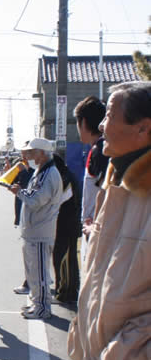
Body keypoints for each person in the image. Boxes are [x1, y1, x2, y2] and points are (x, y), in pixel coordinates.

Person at [67, 81, 151, 360]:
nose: (101, 126)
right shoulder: (117, 177)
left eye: (110, 117)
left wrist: (131, 351)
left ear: (143, 128)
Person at [8, 138, 63, 320]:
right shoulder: (42, 171)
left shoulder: (48, 173)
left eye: (31, 152)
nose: (28, 156)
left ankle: (42, 308)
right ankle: (36, 304)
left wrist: (19, 192)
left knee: (39, 274)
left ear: (41, 153)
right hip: (34, 230)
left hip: (41, 230)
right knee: (33, 272)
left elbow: (37, 200)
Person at [73, 96, 108, 262]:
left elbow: (107, 192)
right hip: (95, 229)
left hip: (96, 230)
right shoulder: (99, 148)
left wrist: (95, 227)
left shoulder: (101, 149)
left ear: (84, 122)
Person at [52, 154, 81, 304]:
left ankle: (65, 294)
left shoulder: (66, 178)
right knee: (60, 259)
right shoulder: (64, 176)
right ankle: (63, 292)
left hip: (68, 225)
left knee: (65, 261)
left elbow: (58, 200)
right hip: (63, 225)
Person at [12, 157, 35, 295]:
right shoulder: (21, 165)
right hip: (23, 212)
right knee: (28, 250)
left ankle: (31, 284)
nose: (25, 156)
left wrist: (25, 171)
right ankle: (32, 282)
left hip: (34, 217)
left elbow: (31, 189)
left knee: (32, 251)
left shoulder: (41, 171)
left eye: (28, 153)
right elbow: (12, 183)